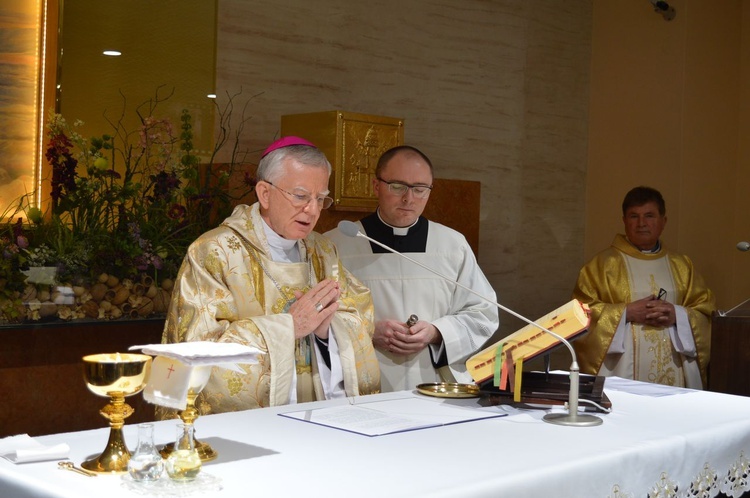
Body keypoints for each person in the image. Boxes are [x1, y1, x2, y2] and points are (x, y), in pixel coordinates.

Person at [161, 136, 380, 413]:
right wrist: (289, 327)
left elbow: (359, 318)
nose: (312, 211)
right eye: (301, 196)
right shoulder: (215, 252)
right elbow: (197, 347)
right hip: (251, 424)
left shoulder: (323, 251)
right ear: (264, 193)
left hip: (318, 414)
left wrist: (328, 331)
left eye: (320, 199)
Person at [326, 145, 498, 391]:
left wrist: (436, 332)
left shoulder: (452, 245)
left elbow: (484, 313)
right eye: (397, 187)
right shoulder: (337, 245)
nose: (409, 199)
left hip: (433, 385)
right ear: (376, 186)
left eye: (420, 189)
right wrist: (366, 330)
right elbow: (313, 318)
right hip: (361, 385)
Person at [572, 186, 715, 389]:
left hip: (676, 376)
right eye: (634, 216)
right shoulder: (601, 266)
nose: (641, 224)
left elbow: (706, 312)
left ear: (663, 221)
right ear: (624, 221)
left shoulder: (682, 266)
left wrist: (678, 315)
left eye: (649, 216)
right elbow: (579, 315)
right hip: (621, 374)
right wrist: (625, 313)